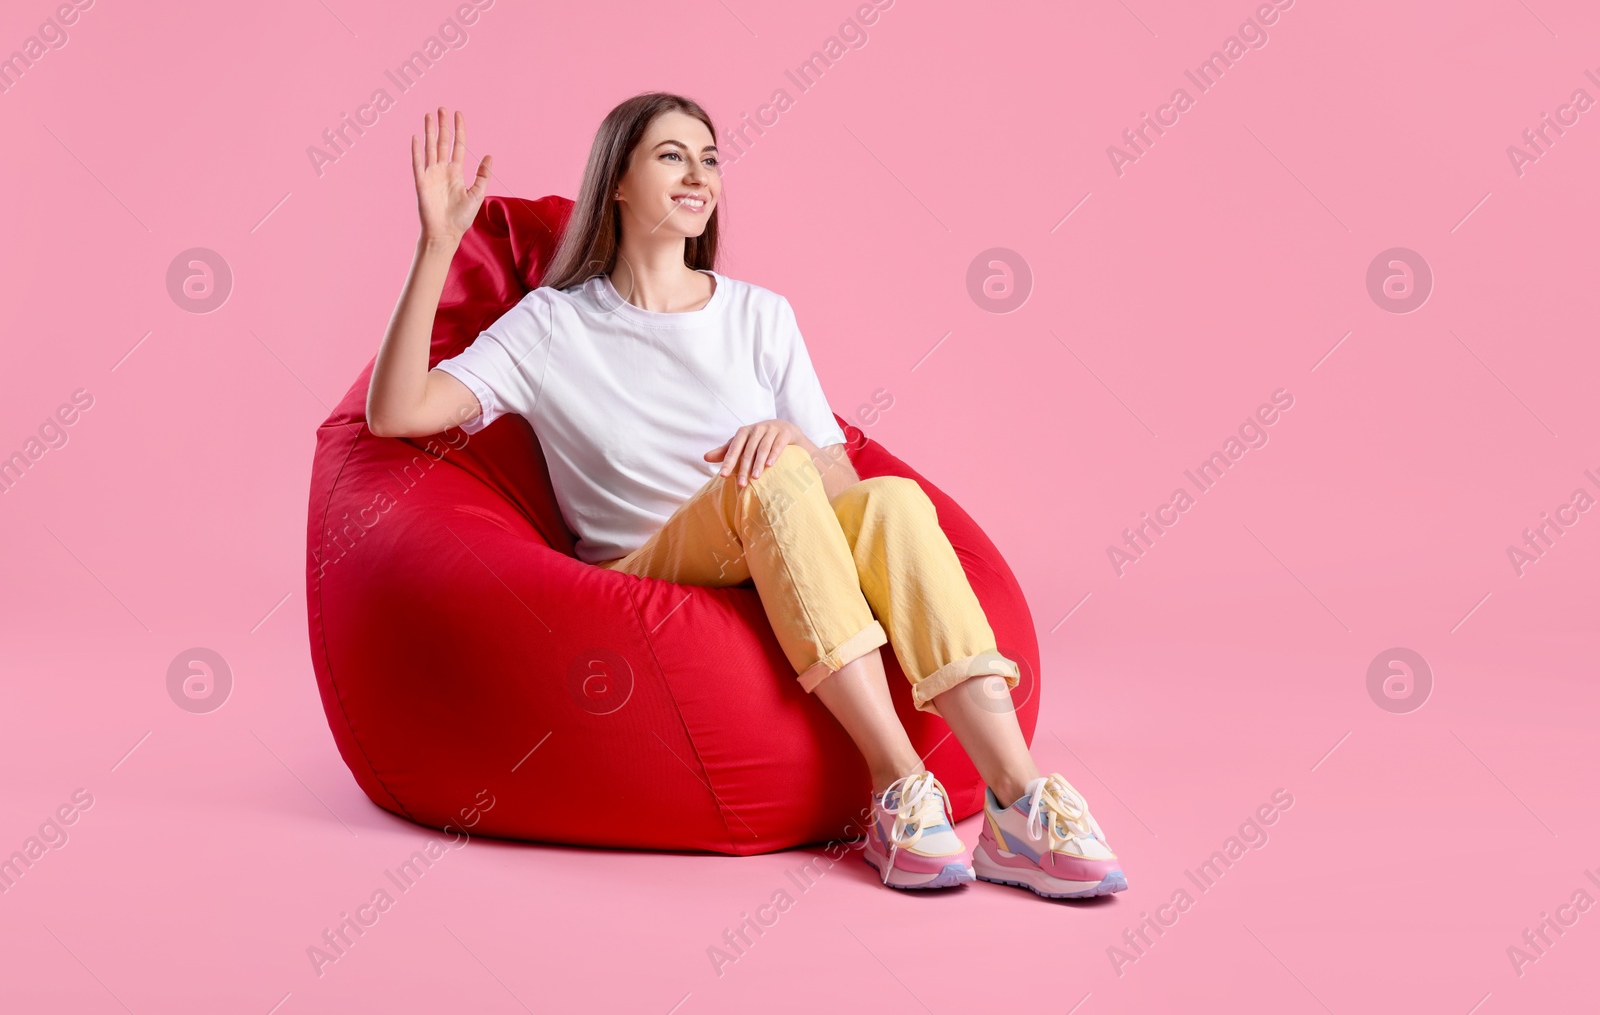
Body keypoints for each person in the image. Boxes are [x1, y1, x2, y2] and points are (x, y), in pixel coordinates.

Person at [365, 93, 1126, 899]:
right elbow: (396, 413)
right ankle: (898, 782)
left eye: (710, 157)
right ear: (615, 182)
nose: (698, 174)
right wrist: (436, 248)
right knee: (769, 478)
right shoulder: (552, 324)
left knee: (895, 502)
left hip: (768, 529)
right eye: (670, 156)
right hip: (645, 564)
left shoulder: (761, 314)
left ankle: (1019, 801)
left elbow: (843, 488)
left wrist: (794, 440)